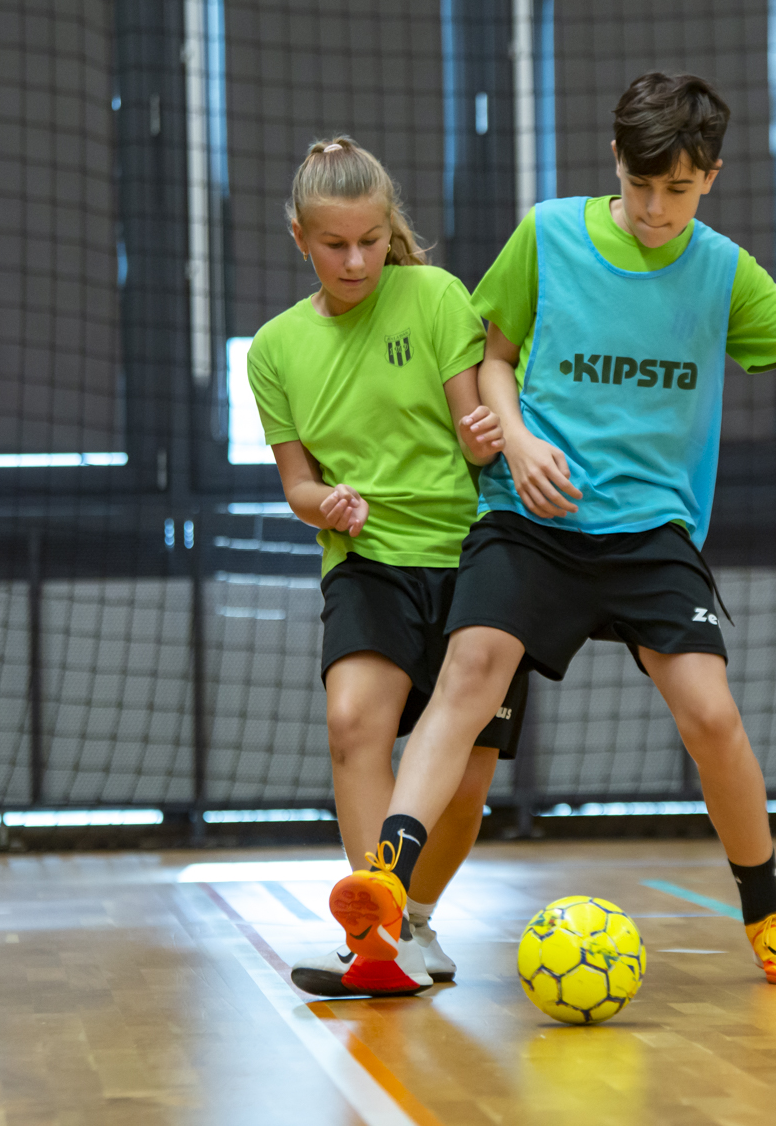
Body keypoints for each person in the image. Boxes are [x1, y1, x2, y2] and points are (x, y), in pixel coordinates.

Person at [328, 72, 776, 984]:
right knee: (469, 672)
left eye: (677, 189)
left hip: (651, 532)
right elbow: (493, 356)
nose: (654, 208)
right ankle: (388, 882)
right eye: (640, 185)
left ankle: (768, 911)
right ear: (615, 162)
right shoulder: (548, 234)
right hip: (532, 514)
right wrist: (517, 440)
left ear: (710, 177)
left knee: (712, 715)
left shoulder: (723, 272)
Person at [246, 136, 528, 998]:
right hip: (367, 560)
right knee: (352, 724)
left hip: (475, 557)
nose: (356, 261)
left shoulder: (436, 296)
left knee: (465, 780)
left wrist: (485, 431)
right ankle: (375, 935)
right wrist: (324, 504)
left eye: (371, 240)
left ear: (389, 228)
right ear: (300, 237)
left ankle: (415, 920)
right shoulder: (274, 349)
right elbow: (297, 485)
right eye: (335, 244)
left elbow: (476, 435)